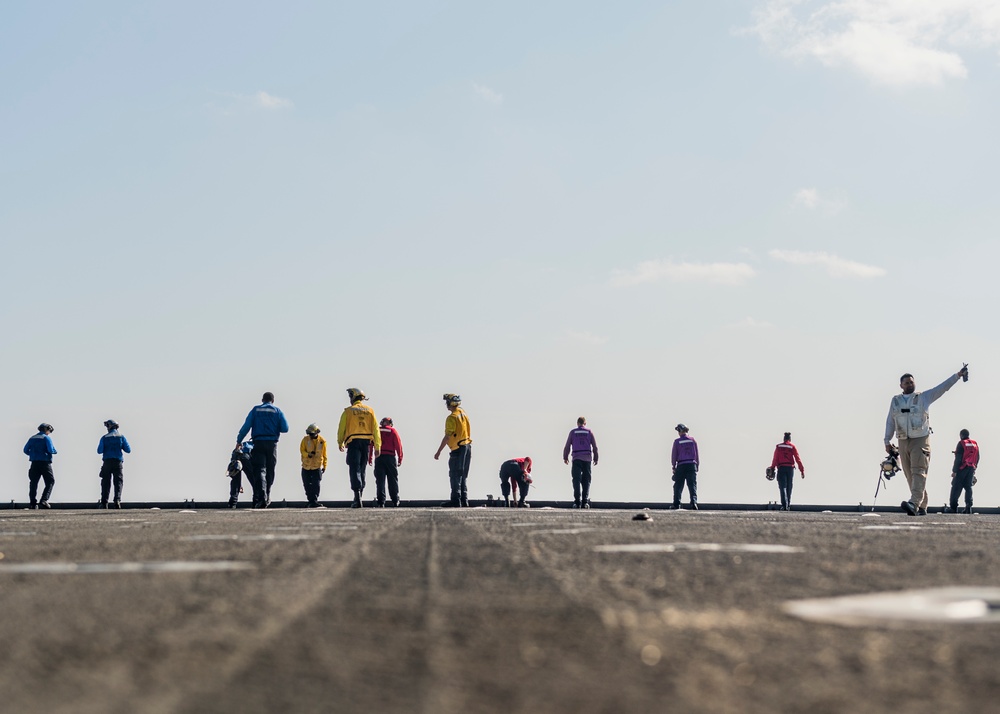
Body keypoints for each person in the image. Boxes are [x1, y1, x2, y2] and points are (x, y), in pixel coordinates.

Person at [884, 366, 968, 516]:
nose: (909, 385)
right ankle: (922, 505)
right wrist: (887, 441)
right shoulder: (895, 401)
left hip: (920, 440)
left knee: (918, 471)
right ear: (901, 385)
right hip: (903, 440)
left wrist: (958, 375)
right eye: (906, 383)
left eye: (911, 382)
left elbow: (942, 388)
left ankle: (914, 503)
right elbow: (890, 421)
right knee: (909, 474)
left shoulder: (923, 397)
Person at [237, 392, 290, 508]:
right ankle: (268, 494)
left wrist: (239, 441)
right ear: (273, 400)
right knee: (270, 470)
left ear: (262, 400)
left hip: (258, 443)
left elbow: (246, 426)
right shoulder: (277, 411)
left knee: (260, 470)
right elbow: (285, 428)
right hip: (272, 444)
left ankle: (262, 498)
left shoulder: (255, 410)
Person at [337, 388, 380, 508]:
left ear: (353, 397)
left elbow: (341, 428)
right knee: (362, 469)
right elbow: (376, 429)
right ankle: (360, 494)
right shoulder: (370, 411)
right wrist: (377, 445)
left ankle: (357, 496)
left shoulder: (348, 411)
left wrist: (340, 442)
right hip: (366, 443)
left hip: (353, 443)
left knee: (354, 468)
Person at [434, 393, 472, 507]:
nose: (446, 404)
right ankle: (464, 500)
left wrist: (438, 451)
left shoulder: (452, 417)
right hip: (467, 447)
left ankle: (455, 500)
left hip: (457, 449)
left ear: (451, 403)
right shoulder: (462, 412)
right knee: (463, 475)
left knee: (455, 474)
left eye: (447, 402)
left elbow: (447, 437)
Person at [563, 417, 599, 509]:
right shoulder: (589, 432)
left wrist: (565, 457)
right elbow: (595, 447)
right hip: (587, 459)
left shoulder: (573, 432)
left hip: (576, 458)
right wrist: (596, 458)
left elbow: (567, 446)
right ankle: (585, 502)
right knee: (586, 480)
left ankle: (577, 502)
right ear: (585, 423)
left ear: (577, 423)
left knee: (576, 479)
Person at [98, 419, 131, 509]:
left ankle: (104, 503)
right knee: (118, 482)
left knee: (105, 482)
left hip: (107, 462)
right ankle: (117, 500)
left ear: (109, 427)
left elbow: (99, 451)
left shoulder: (104, 438)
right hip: (118, 462)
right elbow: (128, 450)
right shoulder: (121, 437)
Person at [23, 423, 57, 509]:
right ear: (47, 429)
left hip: (34, 463)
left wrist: (33, 455)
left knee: (33, 483)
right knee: (50, 481)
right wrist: (54, 451)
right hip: (45, 463)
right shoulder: (46, 438)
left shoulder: (32, 438)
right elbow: (51, 449)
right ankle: (44, 500)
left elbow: (25, 450)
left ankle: (32, 503)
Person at [770, 432, 805, 511]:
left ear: (784, 438)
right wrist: (802, 470)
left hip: (781, 468)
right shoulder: (792, 447)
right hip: (790, 469)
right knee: (789, 487)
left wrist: (772, 467)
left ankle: (784, 505)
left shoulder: (778, 447)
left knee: (783, 487)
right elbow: (797, 459)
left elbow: (775, 459)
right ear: (790, 439)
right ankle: (788, 504)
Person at [374, 417, 403, 507]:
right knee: (392, 480)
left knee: (380, 480)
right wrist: (400, 458)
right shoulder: (393, 431)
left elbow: (372, 444)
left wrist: (370, 457)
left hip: (379, 457)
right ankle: (395, 500)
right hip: (390, 457)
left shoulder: (377, 431)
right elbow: (398, 445)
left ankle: (381, 502)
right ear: (390, 423)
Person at [949, 429, 980, 515]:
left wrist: (954, 471)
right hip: (971, 468)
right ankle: (968, 507)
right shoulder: (975, 443)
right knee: (968, 487)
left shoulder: (961, 443)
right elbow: (977, 457)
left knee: (956, 487)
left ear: (961, 435)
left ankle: (953, 508)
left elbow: (958, 458)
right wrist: (974, 468)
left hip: (962, 468)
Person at [670, 424, 699, 510]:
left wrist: (673, 466)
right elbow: (697, 454)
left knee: (678, 485)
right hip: (692, 465)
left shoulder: (677, 441)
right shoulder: (693, 440)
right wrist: (697, 465)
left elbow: (674, 455)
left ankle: (676, 504)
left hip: (681, 465)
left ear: (680, 430)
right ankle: (694, 502)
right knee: (692, 485)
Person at [300, 423, 328, 508]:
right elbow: (302, 451)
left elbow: (324, 455)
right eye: (309, 434)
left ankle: (314, 501)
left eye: (312, 434)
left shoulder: (322, 441)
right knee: (307, 484)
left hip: (317, 467)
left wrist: (324, 466)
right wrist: (308, 455)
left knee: (316, 484)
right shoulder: (305, 440)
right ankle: (310, 500)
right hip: (306, 466)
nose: (310, 435)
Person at [226, 441, 253, 508]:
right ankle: (257, 501)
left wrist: (239, 484)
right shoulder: (257, 445)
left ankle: (232, 503)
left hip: (236, 456)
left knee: (235, 481)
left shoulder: (242, 445)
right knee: (254, 480)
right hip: (247, 457)